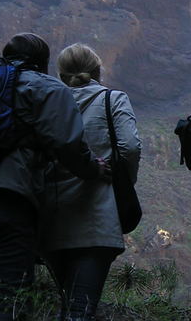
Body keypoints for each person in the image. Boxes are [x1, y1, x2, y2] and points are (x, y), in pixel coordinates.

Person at [0, 33, 111, 321]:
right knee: (12, 304)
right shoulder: (46, 87)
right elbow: (67, 144)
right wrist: (93, 169)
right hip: (7, 203)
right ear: (43, 63)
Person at [40, 43, 142, 320]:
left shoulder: (48, 103)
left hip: (52, 214)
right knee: (80, 307)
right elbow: (130, 147)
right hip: (98, 214)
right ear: (98, 71)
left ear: (61, 76)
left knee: (65, 299)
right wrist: (123, 180)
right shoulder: (113, 100)